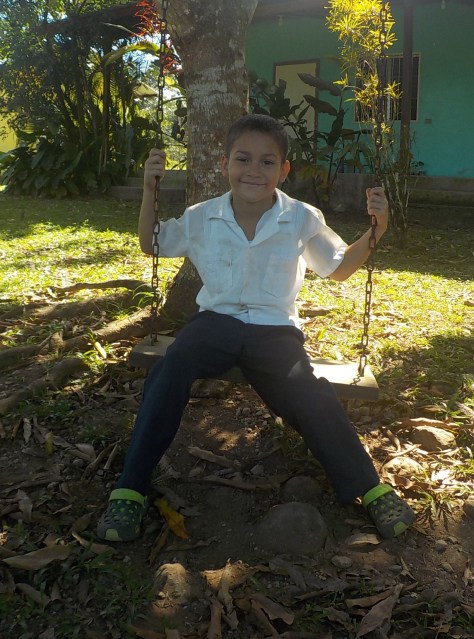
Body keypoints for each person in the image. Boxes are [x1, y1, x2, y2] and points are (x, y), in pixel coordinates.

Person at [97, 114, 415, 542]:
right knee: (170, 368)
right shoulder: (202, 216)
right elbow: (152, 242)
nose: (254, 170)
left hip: (274, 331)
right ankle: (130, 487)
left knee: (308, 391)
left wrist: (378, 230)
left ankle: (369, 487)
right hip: (214, 323)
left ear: (283, 170)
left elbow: (339, 268)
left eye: (267, 162)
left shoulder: (301, 218)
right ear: (224, 163)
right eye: (243, 158)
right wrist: (149, 190)